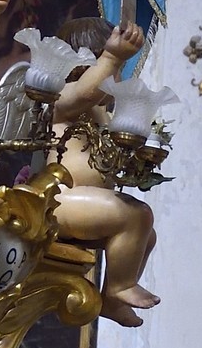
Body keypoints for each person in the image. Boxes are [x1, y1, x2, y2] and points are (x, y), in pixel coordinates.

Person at [48, 18, 160, 326]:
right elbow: (86, 92)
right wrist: (112, 57)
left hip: (87, 205)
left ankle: (112, 301)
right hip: (58, 202)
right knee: (136, 214)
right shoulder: (60, 97)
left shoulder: (98, 113)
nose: (116, 79)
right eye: (111, 69)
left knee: (146, 235)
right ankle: (120, 286)